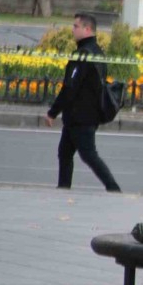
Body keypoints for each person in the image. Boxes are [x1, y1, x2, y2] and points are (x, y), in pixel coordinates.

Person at [45, 13, 121, 193]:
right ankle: (63, 188)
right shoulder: (97, 51)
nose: (73, 30)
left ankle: (113, 188)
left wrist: (53, 112)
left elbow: (70, 87)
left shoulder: (83, 54)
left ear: (87, 29)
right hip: (82, 115)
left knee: (89, 155)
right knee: (65, 153)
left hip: (81, 116)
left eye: (75, 26)